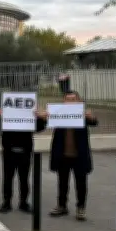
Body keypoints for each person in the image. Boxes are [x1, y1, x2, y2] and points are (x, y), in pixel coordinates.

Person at [47, 90, 98, 221]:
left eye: (73, 99)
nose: (70, 102)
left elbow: (94, 122)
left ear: (79, 101)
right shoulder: (58, 113)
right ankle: (61, 205)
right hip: (62, 154)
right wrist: (44, 116)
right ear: (63, 101)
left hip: (79, 155)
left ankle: (81, 208)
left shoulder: (83, 115)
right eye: (67, 99)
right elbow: (46, 121)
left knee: (81, 184)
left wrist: (90, 117)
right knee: (62, 183)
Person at [0, 107, 47, 213]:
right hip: (9, 151)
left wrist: (40, 118)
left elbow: (39, 128)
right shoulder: (7, 117)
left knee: (24, 179)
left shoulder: (28, 117)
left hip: (25, 151)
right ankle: (7, 202)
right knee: (8, 178)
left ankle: (23, 203)